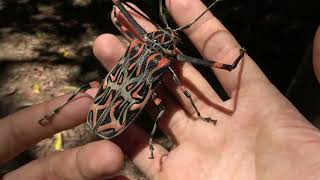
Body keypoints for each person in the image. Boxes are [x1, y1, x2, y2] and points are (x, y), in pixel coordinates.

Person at [1, 0, 320, 179]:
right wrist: (236, 56)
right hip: (114, 112)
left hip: (110, 109)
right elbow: (225, 66)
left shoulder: (143, 45)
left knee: (109, 91)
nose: (169, 37)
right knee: (163, 105)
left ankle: (57, 112)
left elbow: (226, 67)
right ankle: (151, 138)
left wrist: (121, 10)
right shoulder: (169, 60)